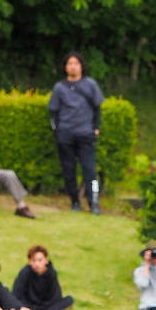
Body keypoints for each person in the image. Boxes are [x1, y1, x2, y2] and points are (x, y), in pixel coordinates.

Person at [47, 51, 105, 214]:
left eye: (76, 63)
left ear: (81, 66)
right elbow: (53, 112)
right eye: (69, 63)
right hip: (66, 134)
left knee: (89, 170)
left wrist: (96, 127)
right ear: (65, 67)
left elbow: (97, 108)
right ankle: (74, 201)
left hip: (86, 133)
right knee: (68, 170)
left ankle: (93, 203)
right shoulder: (59, 87)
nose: (73, 66)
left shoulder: (90, 84)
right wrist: (57, 132)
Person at [11, 244, 73, 310]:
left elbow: (56, 297)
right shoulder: (24, 273)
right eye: (34, 260)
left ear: (46, 260)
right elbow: (15, 295)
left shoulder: (51, 273)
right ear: (29, 262)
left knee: (69, 300)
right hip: (29, 307)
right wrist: (24, 308)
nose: (37, 264)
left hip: (46, 306)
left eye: (40, 260)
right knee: (16, 304)